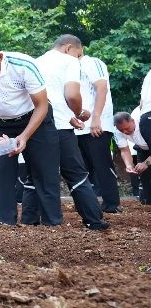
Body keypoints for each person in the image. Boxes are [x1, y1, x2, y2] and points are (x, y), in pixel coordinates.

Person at [0, 37, 63, 226]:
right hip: (2, 123)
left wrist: (25, 136)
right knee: (1, 173)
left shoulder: (23, 66)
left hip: (35, 118)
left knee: (45, 174)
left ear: (0, 57)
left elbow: (42, 106)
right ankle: (6, 223)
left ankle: (53, 224)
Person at [35, 35, 109, 230]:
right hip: (60, 128)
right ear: (69, 48)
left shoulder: (36, 62)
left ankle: (46, 222)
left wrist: (68, 116)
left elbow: (47, 99)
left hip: (38, 126)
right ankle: (94, 219)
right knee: (76, 174)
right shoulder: (69, 61)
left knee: (42, 177)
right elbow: (72, 95)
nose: (79, 58)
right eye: (79, 54)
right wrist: (79, 112)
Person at [74, 48, 121, 213]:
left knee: (102, 165)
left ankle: (112, 203)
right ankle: (90, 204)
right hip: (77, 127)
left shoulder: (92, 62)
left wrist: (96, 118)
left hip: (97, 125)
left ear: (76, 49)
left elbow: (102, 88)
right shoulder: (70, 68)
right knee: (83, 167)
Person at [115, 110, 151, 204]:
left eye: (127, 128)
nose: (125, 132)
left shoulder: (145, 123)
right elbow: (124, 150)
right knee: (144, 175)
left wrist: (146, 163)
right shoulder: (118, 132)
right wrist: (129, 165)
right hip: (142, 149)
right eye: (121, 130)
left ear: (133, 121)